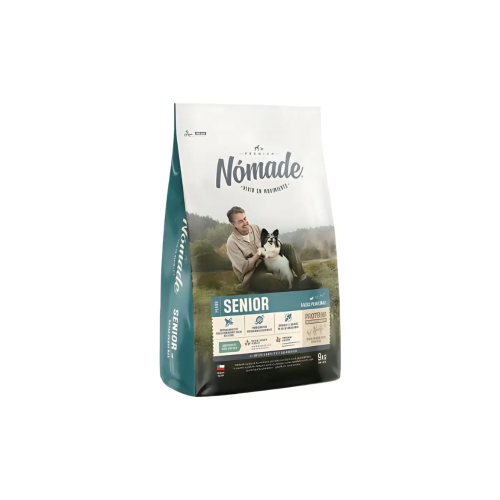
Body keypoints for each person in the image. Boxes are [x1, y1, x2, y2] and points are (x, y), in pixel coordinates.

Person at [225, 206, 321, 293]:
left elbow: (273, 239)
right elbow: (243, 268)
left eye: (245, 218)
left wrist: (277, 248)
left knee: (287, 247)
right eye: (240, 221)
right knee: (269, 279)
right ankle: (292, 287)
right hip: (253, 273)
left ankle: (303, 277)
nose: (245, 223)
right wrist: (258, 254)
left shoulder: (255, 228)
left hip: (268, 261)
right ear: (233, 224)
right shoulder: (232, 243)